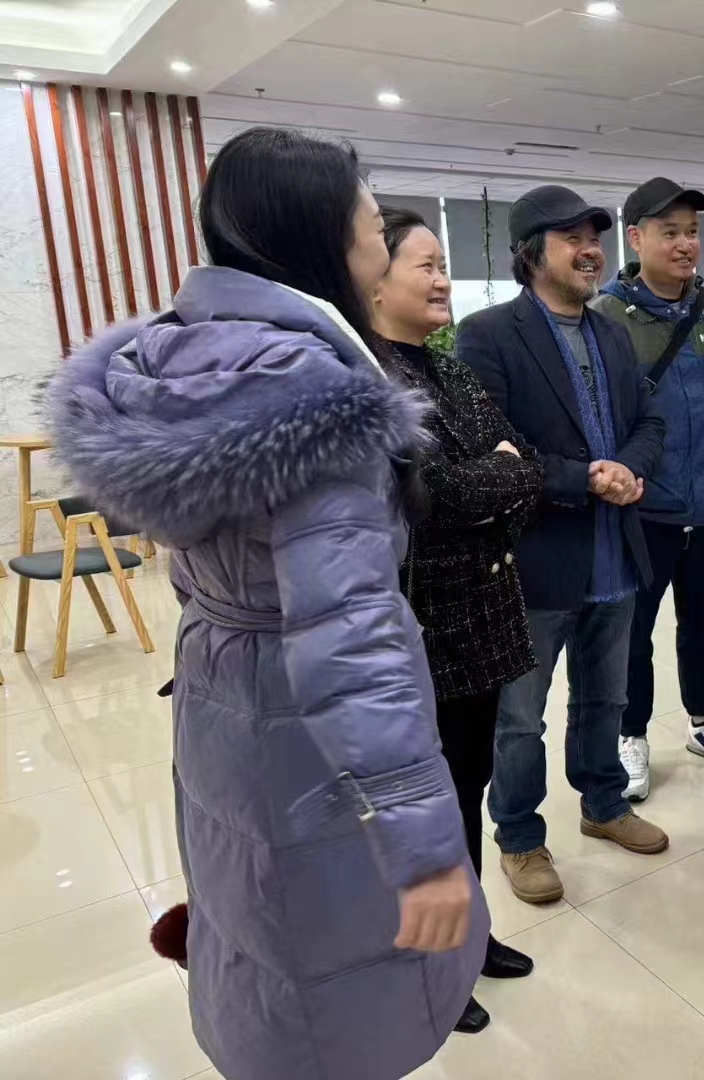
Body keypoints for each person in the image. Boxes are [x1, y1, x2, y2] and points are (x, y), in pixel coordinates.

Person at [45, 128, 486, 1080]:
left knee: (254, 913)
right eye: (371, 222)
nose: (380, 241)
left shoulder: (170, 359)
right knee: (333, 965)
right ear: (320, 234)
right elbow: (350, 636)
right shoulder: (310, 385)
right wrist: (421, 843)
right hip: (306, 733)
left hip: (217, 692)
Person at [456, 185, 669, 906]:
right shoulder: (488, 335)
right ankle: (519, 836)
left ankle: (604, 804)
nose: (590, 251)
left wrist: (629, 467)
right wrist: (587, 478)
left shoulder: (611, 331)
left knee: (606, 698)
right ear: (530, 253)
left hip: (616, 552)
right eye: (571, 238)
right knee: (520, 718)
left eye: (594, 238)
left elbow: (650, 419)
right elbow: (490, 446)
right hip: (537, 561)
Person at [372, 205, 546, 1032]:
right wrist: (495, 479)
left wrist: (497, 480)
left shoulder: (449, 368)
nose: (443, 280)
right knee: (423, 806)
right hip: (421, 625)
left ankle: (470, 939)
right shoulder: (368, 378)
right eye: (426, 265)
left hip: (481, 615)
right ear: (375, 279)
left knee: (467, 785)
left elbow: (526, 467)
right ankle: (429, 966)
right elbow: (429, 495)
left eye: (444, 265)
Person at [591, 178, 704, 801]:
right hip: (645, 513)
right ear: (636, 239)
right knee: (633, 635)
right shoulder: (605, 320)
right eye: (670, 232)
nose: (686, 243)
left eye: (692, 231)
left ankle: (703, 721)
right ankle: (630, 733)